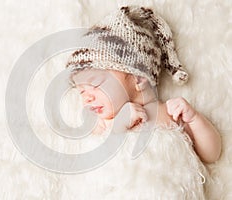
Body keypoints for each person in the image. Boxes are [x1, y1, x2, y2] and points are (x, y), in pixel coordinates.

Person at [63, 5, 222, 199]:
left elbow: (212, 154)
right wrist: (117, 128)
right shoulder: (105, 122)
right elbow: (93, 168)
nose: (86, 97)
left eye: (95, 84)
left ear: (138, 79)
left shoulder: (170, 113)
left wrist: (194, 119)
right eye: (81, 90)